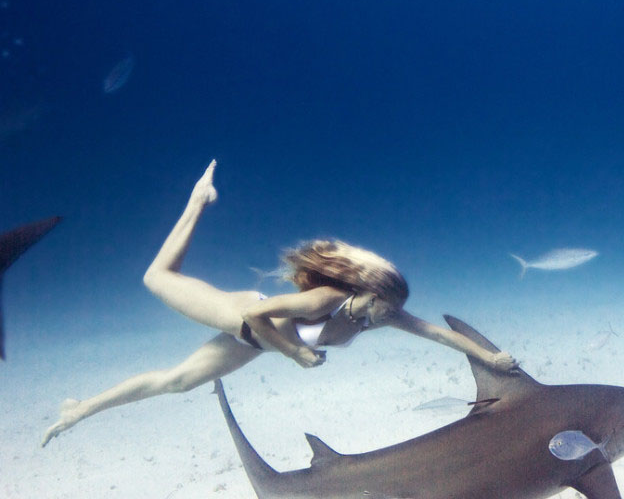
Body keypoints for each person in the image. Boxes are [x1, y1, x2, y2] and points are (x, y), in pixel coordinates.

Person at [41, 161, 517, 447]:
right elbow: (253, 315)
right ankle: (198, 200)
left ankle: (80, 409)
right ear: (369, 296)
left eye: (394, 311)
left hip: (254, 345)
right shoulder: (325, 299)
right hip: (241, 317)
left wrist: (491, 357)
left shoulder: (377, 317)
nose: (393, 317)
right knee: (156, 277)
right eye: (388, 309)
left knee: (177, 383)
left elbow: (436, 333)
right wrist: (294, 354)